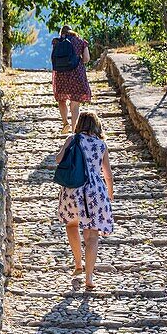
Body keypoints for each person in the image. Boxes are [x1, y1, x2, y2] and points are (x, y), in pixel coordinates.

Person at [56, 110, 114, 291]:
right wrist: (109, 194)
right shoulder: (101, 145)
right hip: (95, 192)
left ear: (79, 124)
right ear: (96, 125)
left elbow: (58, 160)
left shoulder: (72, 139)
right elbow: (108, 175)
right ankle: (89, 277)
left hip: (73, 189)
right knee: (92, 235)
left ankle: (78, 263)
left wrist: (67, 149)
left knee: (72, 225)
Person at [51, 25, 91, 133]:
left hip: (61, 75)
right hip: (76, 75)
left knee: (61, 100)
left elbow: (54, 58)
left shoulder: (56, 42)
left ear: (61, 33)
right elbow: (87, 59)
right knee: (75, 105)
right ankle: (74, 131)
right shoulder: (81, 41)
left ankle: (65, 123)